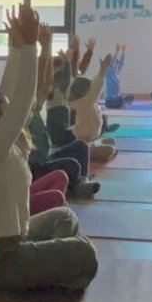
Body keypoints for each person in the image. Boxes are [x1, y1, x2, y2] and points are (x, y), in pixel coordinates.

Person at [0, 3, 98, 291]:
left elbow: (8, 92)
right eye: (3, 108)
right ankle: (52, 270)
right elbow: (22, 100)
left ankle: (50, 269)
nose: (8, 107)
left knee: (64, 216)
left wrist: (15, 48)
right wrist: (29, 48)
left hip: (17, 240)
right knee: (84, 253)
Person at [26, 29, 99, 199]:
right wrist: (45, 48)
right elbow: (43, 79)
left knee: (81, 146)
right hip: (35, 171)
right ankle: (75, 186)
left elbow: (49, 81)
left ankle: (80, 181)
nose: (42, 89)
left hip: (45, 159)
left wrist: (52, 50)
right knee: (72, 165)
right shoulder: (22, 111)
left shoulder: (37, 104)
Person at [69, 54, 115, 142]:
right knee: (109, 146)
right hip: (86, 135)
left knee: (104, 117)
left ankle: (105, 128)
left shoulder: (78, 103)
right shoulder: (87, 101)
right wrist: (102, 70)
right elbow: (96, 86)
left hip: (88, 134)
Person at [103, 43, 134, 109]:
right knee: (120, 99)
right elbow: (113, 62)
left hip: (116, 99)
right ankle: (122, 104)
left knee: (131, 97)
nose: (116, 65)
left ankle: (122, 104)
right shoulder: (108, 71)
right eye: (115, 63)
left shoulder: (117, 72)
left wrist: (123, 52)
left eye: (117, 63)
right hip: (109, 101)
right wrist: (116, 52)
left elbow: (121, 63)